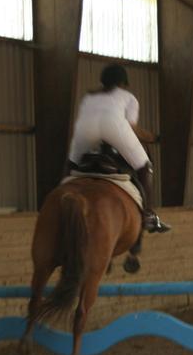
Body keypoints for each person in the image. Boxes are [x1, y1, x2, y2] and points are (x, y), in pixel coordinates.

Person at [67, 64, 170, 233]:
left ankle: (56, 192)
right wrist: (154, 138)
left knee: (70, 164)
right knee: (145, 166)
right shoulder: (128, 98)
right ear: (122, 82)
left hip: (85, 132)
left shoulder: (89, 97)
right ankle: (149, 215)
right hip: (113, 129)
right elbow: (133, 129)